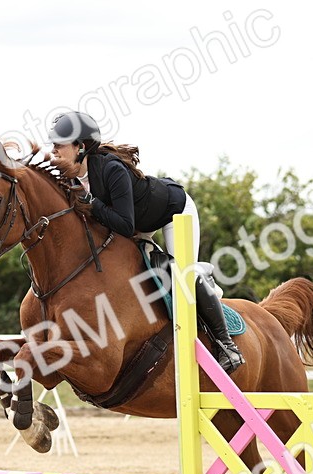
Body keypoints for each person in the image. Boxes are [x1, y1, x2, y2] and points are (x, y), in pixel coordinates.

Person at [47, 110, 245, 374]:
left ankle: (227, 345)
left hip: (173, 212)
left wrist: (92, 205)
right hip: (136, 225)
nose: (54, 151)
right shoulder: (71, 177)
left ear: (80, 147)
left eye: (58, 145)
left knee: (183, 275)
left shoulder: (111, 170)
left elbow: (125, 225)